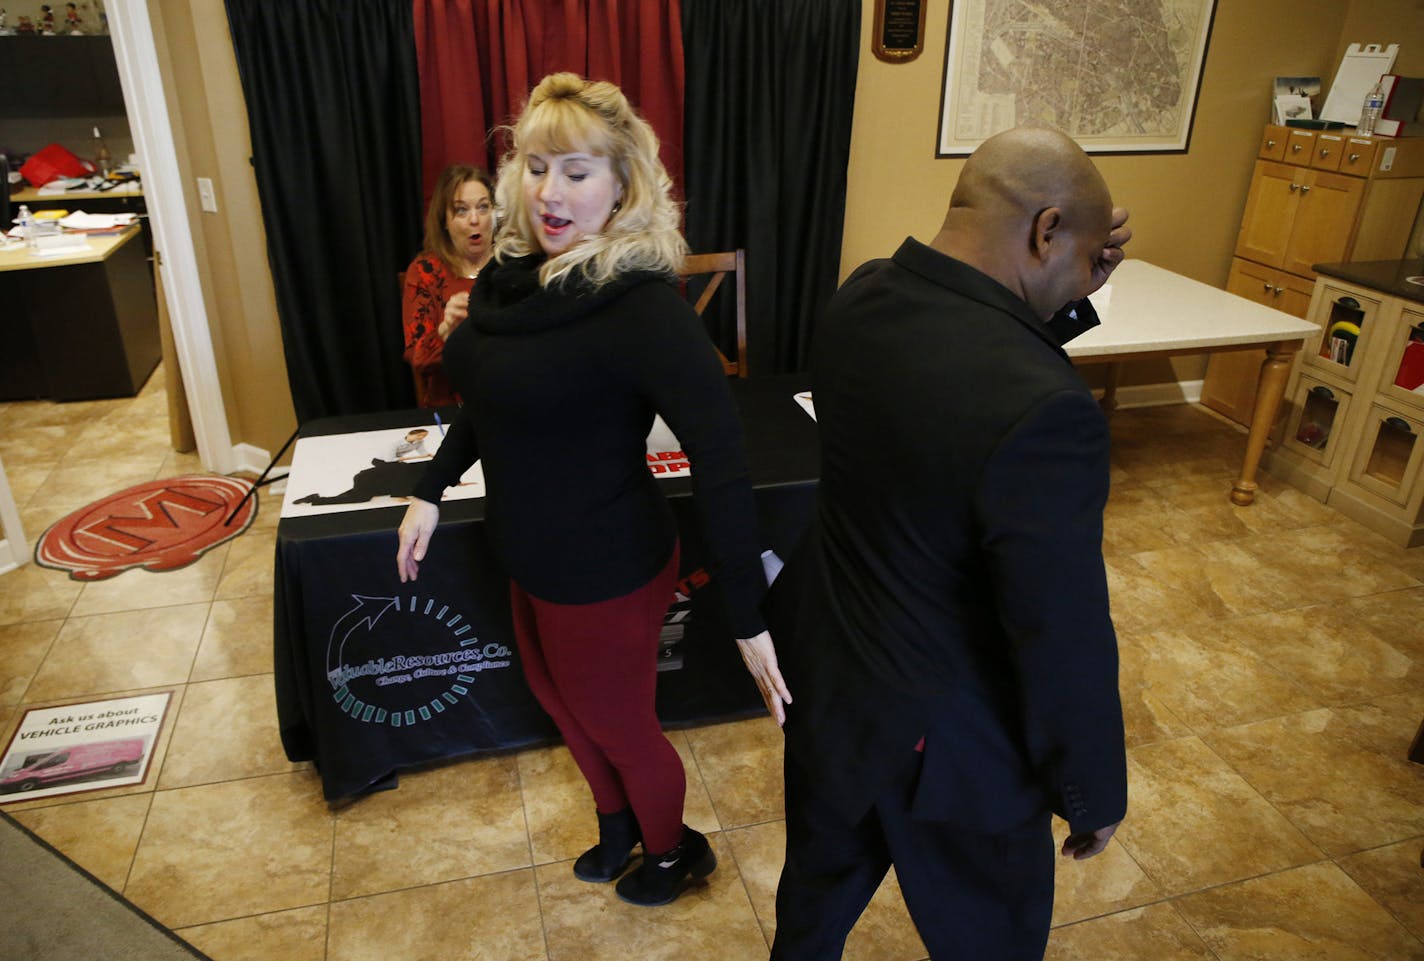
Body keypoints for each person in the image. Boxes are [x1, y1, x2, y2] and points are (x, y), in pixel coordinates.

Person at [395, 72, 789, 908]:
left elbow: (720, 457)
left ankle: (676, 852)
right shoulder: (508, 282)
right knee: (557, 704)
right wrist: (430, 487)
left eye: (577, 172)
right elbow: (492, 401)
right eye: (537, 167)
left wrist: (750, 615)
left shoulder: (644, 308)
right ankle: (619, 829)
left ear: (622, 188)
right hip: (530, 552)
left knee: (619, 725)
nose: (550, 192)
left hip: (608, 564)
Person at [763, 126, 1132, 961]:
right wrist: (1093, 787)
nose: (1084, 276)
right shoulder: (1051, 414)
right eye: (1079, 259)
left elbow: (965, 380)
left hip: (834, 685)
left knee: (812, 911)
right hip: (952, 748)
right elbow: (1059, 629)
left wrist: (1074, 291)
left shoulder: (861, 297)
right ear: (1045, 229)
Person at [402, 164, 495, 408]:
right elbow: (419, 358)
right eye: (461, 211)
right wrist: (446, 332)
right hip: (452, 409)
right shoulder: (425, 272)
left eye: (483, 207)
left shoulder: (513, 263)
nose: (475, 220)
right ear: (445, 220)